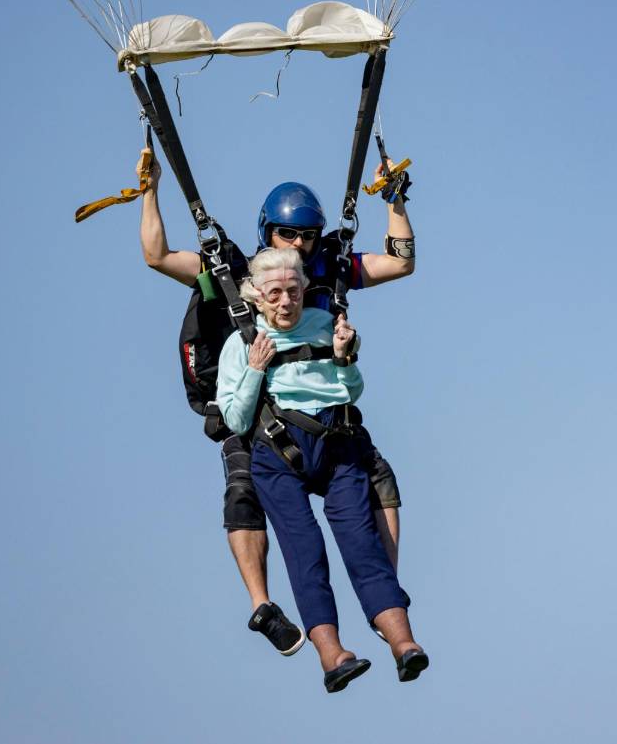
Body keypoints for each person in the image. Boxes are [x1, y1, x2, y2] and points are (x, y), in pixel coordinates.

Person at [138, 152, 416, 655]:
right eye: (289, 235)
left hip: (324, 413)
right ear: (269, 233)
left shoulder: (327, 271)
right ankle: (262, 605)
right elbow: (158, 256)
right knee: (243, 492)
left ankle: (383, 594)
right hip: (255, 410)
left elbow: (399, 261)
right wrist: (150, 192)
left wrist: (395, 201)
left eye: (308, 235)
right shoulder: (236, 273)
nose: (300, 245)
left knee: (380, 479)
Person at [216, 248, 427, 692]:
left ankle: (403, 644)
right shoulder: (240, 344)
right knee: (305, 550)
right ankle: (333, 657)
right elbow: (235, 422)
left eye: (293, 292)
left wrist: (345, 358)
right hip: (278, 455)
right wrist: (255, 369)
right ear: (257, 296)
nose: (286, 302)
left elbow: (352, 390)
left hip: (336, 446)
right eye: (275, 294)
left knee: (362, 544)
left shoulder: (326, 326)